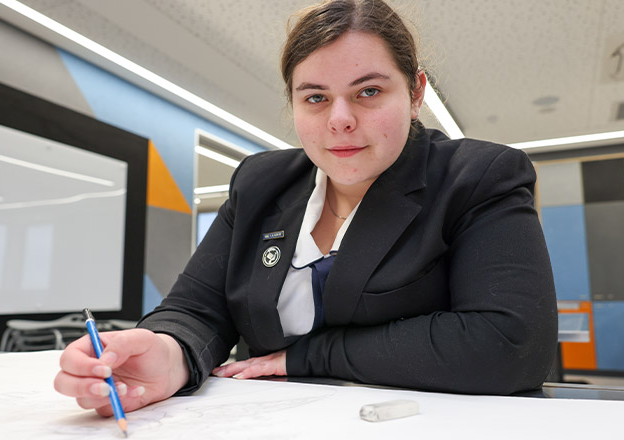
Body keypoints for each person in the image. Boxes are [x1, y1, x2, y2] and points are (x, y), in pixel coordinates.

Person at [54, 0, 557, 417]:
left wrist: (305, 357)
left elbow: (510, 343)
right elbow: (196, 308)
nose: (340, 119)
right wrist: (168, 353)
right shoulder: (261, 182)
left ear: (416, 92)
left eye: (369, 91)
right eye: (316, 97)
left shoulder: (477, 177)